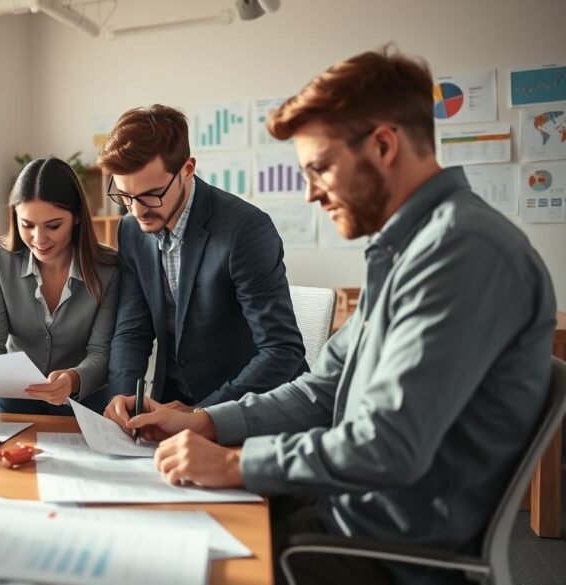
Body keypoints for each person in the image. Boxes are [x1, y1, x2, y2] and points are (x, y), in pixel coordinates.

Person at [125, 47, 557, 585]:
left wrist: (236, 464)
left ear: (382, 145)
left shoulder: (463, 253)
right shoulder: (410, 250)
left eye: (320, 168)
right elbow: (322, 390)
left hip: (376, 550)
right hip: (339, 513)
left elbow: (388, 446)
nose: (310, 193)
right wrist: (206, 422)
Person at [99, 104, 307, 428]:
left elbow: (282, 350)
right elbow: (132, 329)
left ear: (187, 169)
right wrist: (121, 399)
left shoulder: (245, 229)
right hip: (170, 407)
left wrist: (203, 415)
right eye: (125, 195)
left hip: (248, 413)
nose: (137, 210)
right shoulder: (129, 231)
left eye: (152, 194)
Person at [0, 157, 119, 415]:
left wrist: (73, 379)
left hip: (82, 404)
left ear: (76, 217)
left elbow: (101, 352)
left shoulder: (107, 267)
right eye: (27, 225)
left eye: (53, 226)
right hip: (14, 403)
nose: (39, 239)